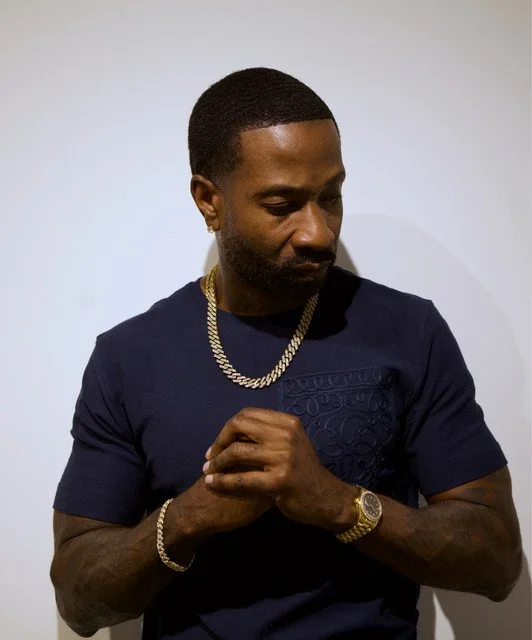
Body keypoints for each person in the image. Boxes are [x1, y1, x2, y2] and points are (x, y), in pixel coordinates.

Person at [51, 67, 522, 640]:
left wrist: (340, 504)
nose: (318, 232)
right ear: (209, 200)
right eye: (282, 204)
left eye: (331, 196)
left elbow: (497, 562)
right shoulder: (129, 357)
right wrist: (190, 517)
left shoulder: (407, 330)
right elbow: (79, 600)